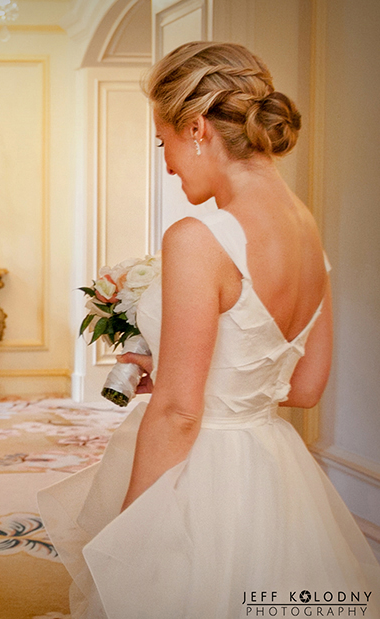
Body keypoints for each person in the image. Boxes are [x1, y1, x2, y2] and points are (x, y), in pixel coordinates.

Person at [38, 42, 380, 619]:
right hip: (272, 468)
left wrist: (132, 529)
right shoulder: (308, 230)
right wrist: (189, 373)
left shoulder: (200, 235)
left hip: (202, 473)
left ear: (196, 127)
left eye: (163, 142)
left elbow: (179, 413)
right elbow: (304, 389)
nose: (167, 164)